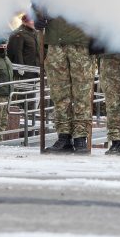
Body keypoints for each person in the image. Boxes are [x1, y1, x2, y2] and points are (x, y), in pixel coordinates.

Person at [39, 12, 96, 154]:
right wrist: (36, 14)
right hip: (55, 40)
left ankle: (80, 137)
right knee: (59, 92)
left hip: (81, 40)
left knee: (82, 93)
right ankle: (64, 135)